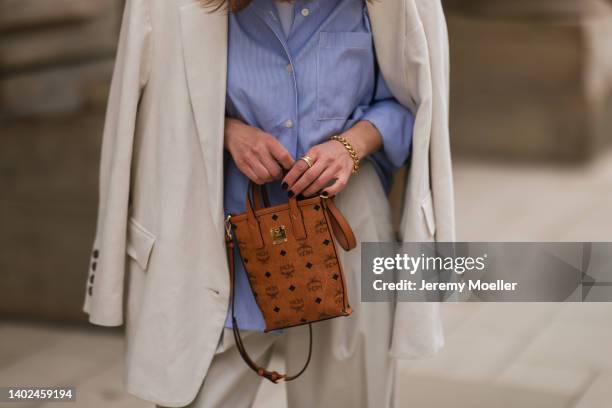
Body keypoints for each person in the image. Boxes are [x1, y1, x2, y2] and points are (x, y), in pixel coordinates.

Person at [82, 0, 454, 406]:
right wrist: (226, 132)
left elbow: (416, 104)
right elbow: (154, 106)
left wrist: (352, 145)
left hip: (348, 241)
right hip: (218, 244)